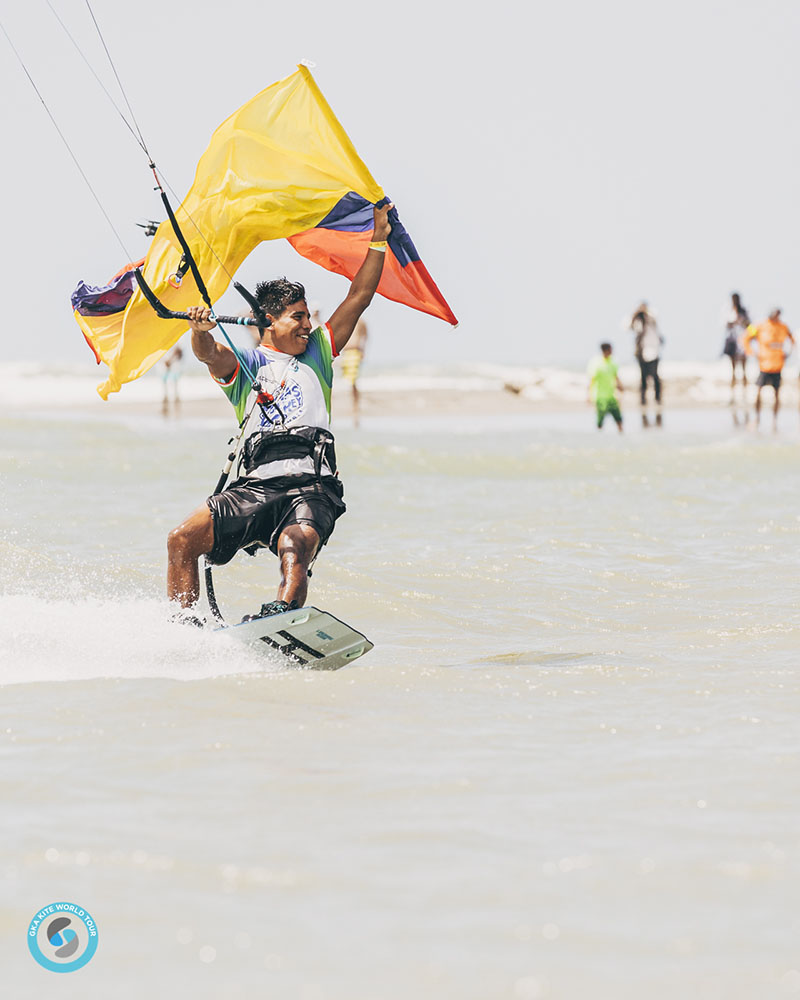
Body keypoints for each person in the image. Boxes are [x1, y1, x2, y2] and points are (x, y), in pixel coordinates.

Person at [166, 202, 393, 623]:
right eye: (299, 317)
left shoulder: (319, 354)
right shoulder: (248, 364)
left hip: (311, 485)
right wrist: (199, 330)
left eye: (308, 316)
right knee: (182, 539)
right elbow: (209, 354)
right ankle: (184, 631)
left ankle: (281, 617)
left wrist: (378, 236)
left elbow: (360, 295)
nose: (309, 325)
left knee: (296, 542)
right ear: (269, 320)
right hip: (256, 485)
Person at [744, 308, 795, 430]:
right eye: (775, 315)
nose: (777, 317)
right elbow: (746, 336)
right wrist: (752, 352)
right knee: (759, 391)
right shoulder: (761, 325)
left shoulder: (783, 326)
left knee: (777, 393)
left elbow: (792, 339)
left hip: (778, 365)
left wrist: (788, 353)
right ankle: (757, 417)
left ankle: (775, 419)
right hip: (764, 365)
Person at [630, 302, 664, 426]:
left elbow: (655, 316)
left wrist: (645, 311)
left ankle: (657, 399)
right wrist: (635, 314)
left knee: (655, 377)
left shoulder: (651, 319)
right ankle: (643, 400)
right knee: (643, 378)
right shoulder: (637, 321)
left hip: (654, 351)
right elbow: (627, 326)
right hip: (641, 353)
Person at [587, 343, 624, 432]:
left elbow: (616, 376)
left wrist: (620, 386)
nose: (612, 351)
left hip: (612, 396)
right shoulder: (597, 363)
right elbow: (592, 380)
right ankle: (599, 438)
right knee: (600, 421)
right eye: (610, 349)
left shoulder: (612, 362)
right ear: (605, 350)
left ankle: (621, 436)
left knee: (618, 418)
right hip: (600, 397)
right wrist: (589, 395)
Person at [339, 318, 368, 427]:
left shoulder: (361, 322)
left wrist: (363, 350)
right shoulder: (346, 320)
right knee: (346, 380)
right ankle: (351, 403)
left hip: (355, 352)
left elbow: (365, 335)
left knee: (352, 381)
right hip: (345, 352)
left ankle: (355, 406)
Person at [722, 292, 750, 392]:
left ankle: (744, 392)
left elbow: (749, 325)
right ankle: (732, 393)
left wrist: (742, 321)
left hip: (742, 340)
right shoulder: (728, 310)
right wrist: (734, 321)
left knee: (744, 369)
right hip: (732, 341)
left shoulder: (744, 311)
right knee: (733, 370)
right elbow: (725, 324)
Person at [159, 343, 183, 416]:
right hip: (165, 362)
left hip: (173, 362)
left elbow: (178, 350)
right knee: (165, 385)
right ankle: (167, 409)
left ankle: (176, 411)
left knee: (174, 385)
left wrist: (170, 360)